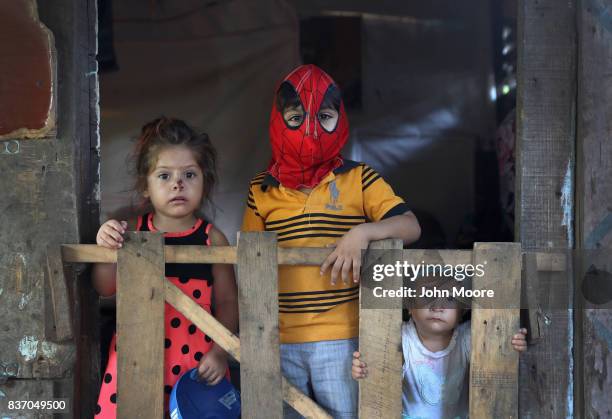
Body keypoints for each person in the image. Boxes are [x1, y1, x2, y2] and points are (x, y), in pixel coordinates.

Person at [242, 64, 421, 418]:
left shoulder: (360, 177)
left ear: (340, 121)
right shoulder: (261, 188)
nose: (309, 128)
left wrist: (363, 232)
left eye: (323, 116)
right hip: (278, 338)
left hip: (343, 337)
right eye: (296, 117)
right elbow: (250, 265)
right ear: (278, 121)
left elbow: (410, 226)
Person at [92, 117, 238, 418]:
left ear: (205, 182)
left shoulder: (212, 238)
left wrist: (221, 353)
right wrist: (106, 243)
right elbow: (104, 287)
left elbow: (227, 302)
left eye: (189, 174)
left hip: (198, 362)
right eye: (164, 176)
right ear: (145, 186)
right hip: (136, 359)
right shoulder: (130, 231)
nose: (177, 183)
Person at [351, 277, 528, 419]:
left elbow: (496, 341)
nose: (438, 307)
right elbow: (377, 363)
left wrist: (511, 342)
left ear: (462, 312)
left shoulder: (468, 337)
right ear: (410, 305)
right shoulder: (398, 337)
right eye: (428, 296)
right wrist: (363, 369)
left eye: (450, 298)